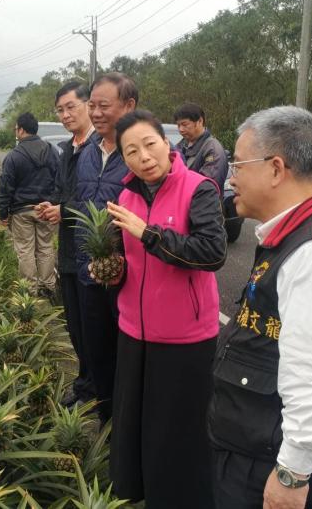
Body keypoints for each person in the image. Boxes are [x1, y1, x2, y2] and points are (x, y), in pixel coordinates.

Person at [209, 106, 312, 508]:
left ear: (276, 168)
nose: (231, 178)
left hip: (272, 467)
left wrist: (291, 477)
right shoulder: (289, 236)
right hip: (253, 447)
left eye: (238, 164)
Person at [99, 110, 225, 508]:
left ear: (166, 143)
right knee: (138, 420)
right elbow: (128, 258)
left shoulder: (199, 188)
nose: (143, 157)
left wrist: (147, 232)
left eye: (149, 144)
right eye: (131, 151)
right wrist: (109, 268)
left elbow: (213, 252)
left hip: (184, 338)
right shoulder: (126, 195)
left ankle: (181, 498)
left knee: (178, 429)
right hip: (134, 330)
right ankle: (141, 491)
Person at [69, 72, 137, 424]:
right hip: (88, 271)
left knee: (125, 356)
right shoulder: (88, 154)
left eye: (103, 106)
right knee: (95, 350)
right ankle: (106, 417)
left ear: (129, 106)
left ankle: (124, 424)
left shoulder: (141, 155)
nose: (95, 113)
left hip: (128, 278)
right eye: (91, 105)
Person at [35, 81, 95, 407]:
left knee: (93, 328)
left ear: (88, 105)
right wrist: (51, 206)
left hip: (93, 254)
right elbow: (63, 190)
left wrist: (65, 210)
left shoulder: (100, 147)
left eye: (71, 106)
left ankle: (96, 390)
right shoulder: (68, 148)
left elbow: (102, 200)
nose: (65, 114)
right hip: (69, 250)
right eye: (60, 110)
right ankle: (85, 382)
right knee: (73, 323)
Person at [0, 112, 59, 297]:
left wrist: (3, 213)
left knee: (25, 250)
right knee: (46, 247)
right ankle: (48, 285)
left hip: (21, 211)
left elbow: (5, 187)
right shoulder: (51, 151)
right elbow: (60, 180)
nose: (16, 131)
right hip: (46, 209)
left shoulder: (14, 156)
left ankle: (29, 290)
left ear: (21, 130)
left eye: (16, 128)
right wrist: (54, 203)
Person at [174, 102, 228, 194]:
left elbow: (207, 186)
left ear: (200, 121)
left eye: (184, 124)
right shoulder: (180, 146)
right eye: (178, 125)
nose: (181, 129)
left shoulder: (213, 149)